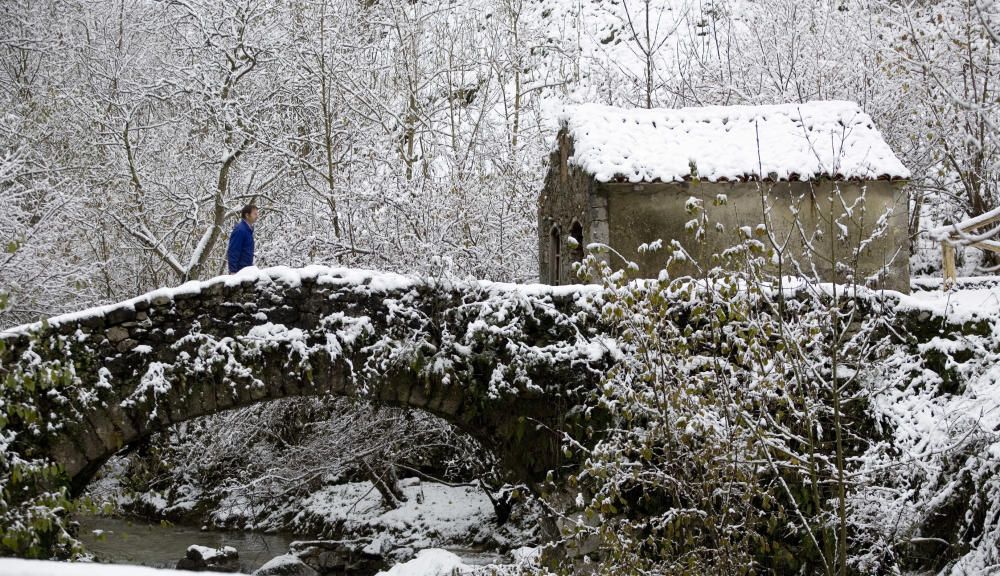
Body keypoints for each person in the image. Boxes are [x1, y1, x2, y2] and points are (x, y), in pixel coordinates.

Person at [227, 204, 258, 273]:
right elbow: (233, 250)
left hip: (246, 270)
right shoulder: (240, 230)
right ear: (247, 215)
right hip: (239, 271)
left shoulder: (248, 230)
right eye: (255, 214)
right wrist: (233, 271)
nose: (257, 216)